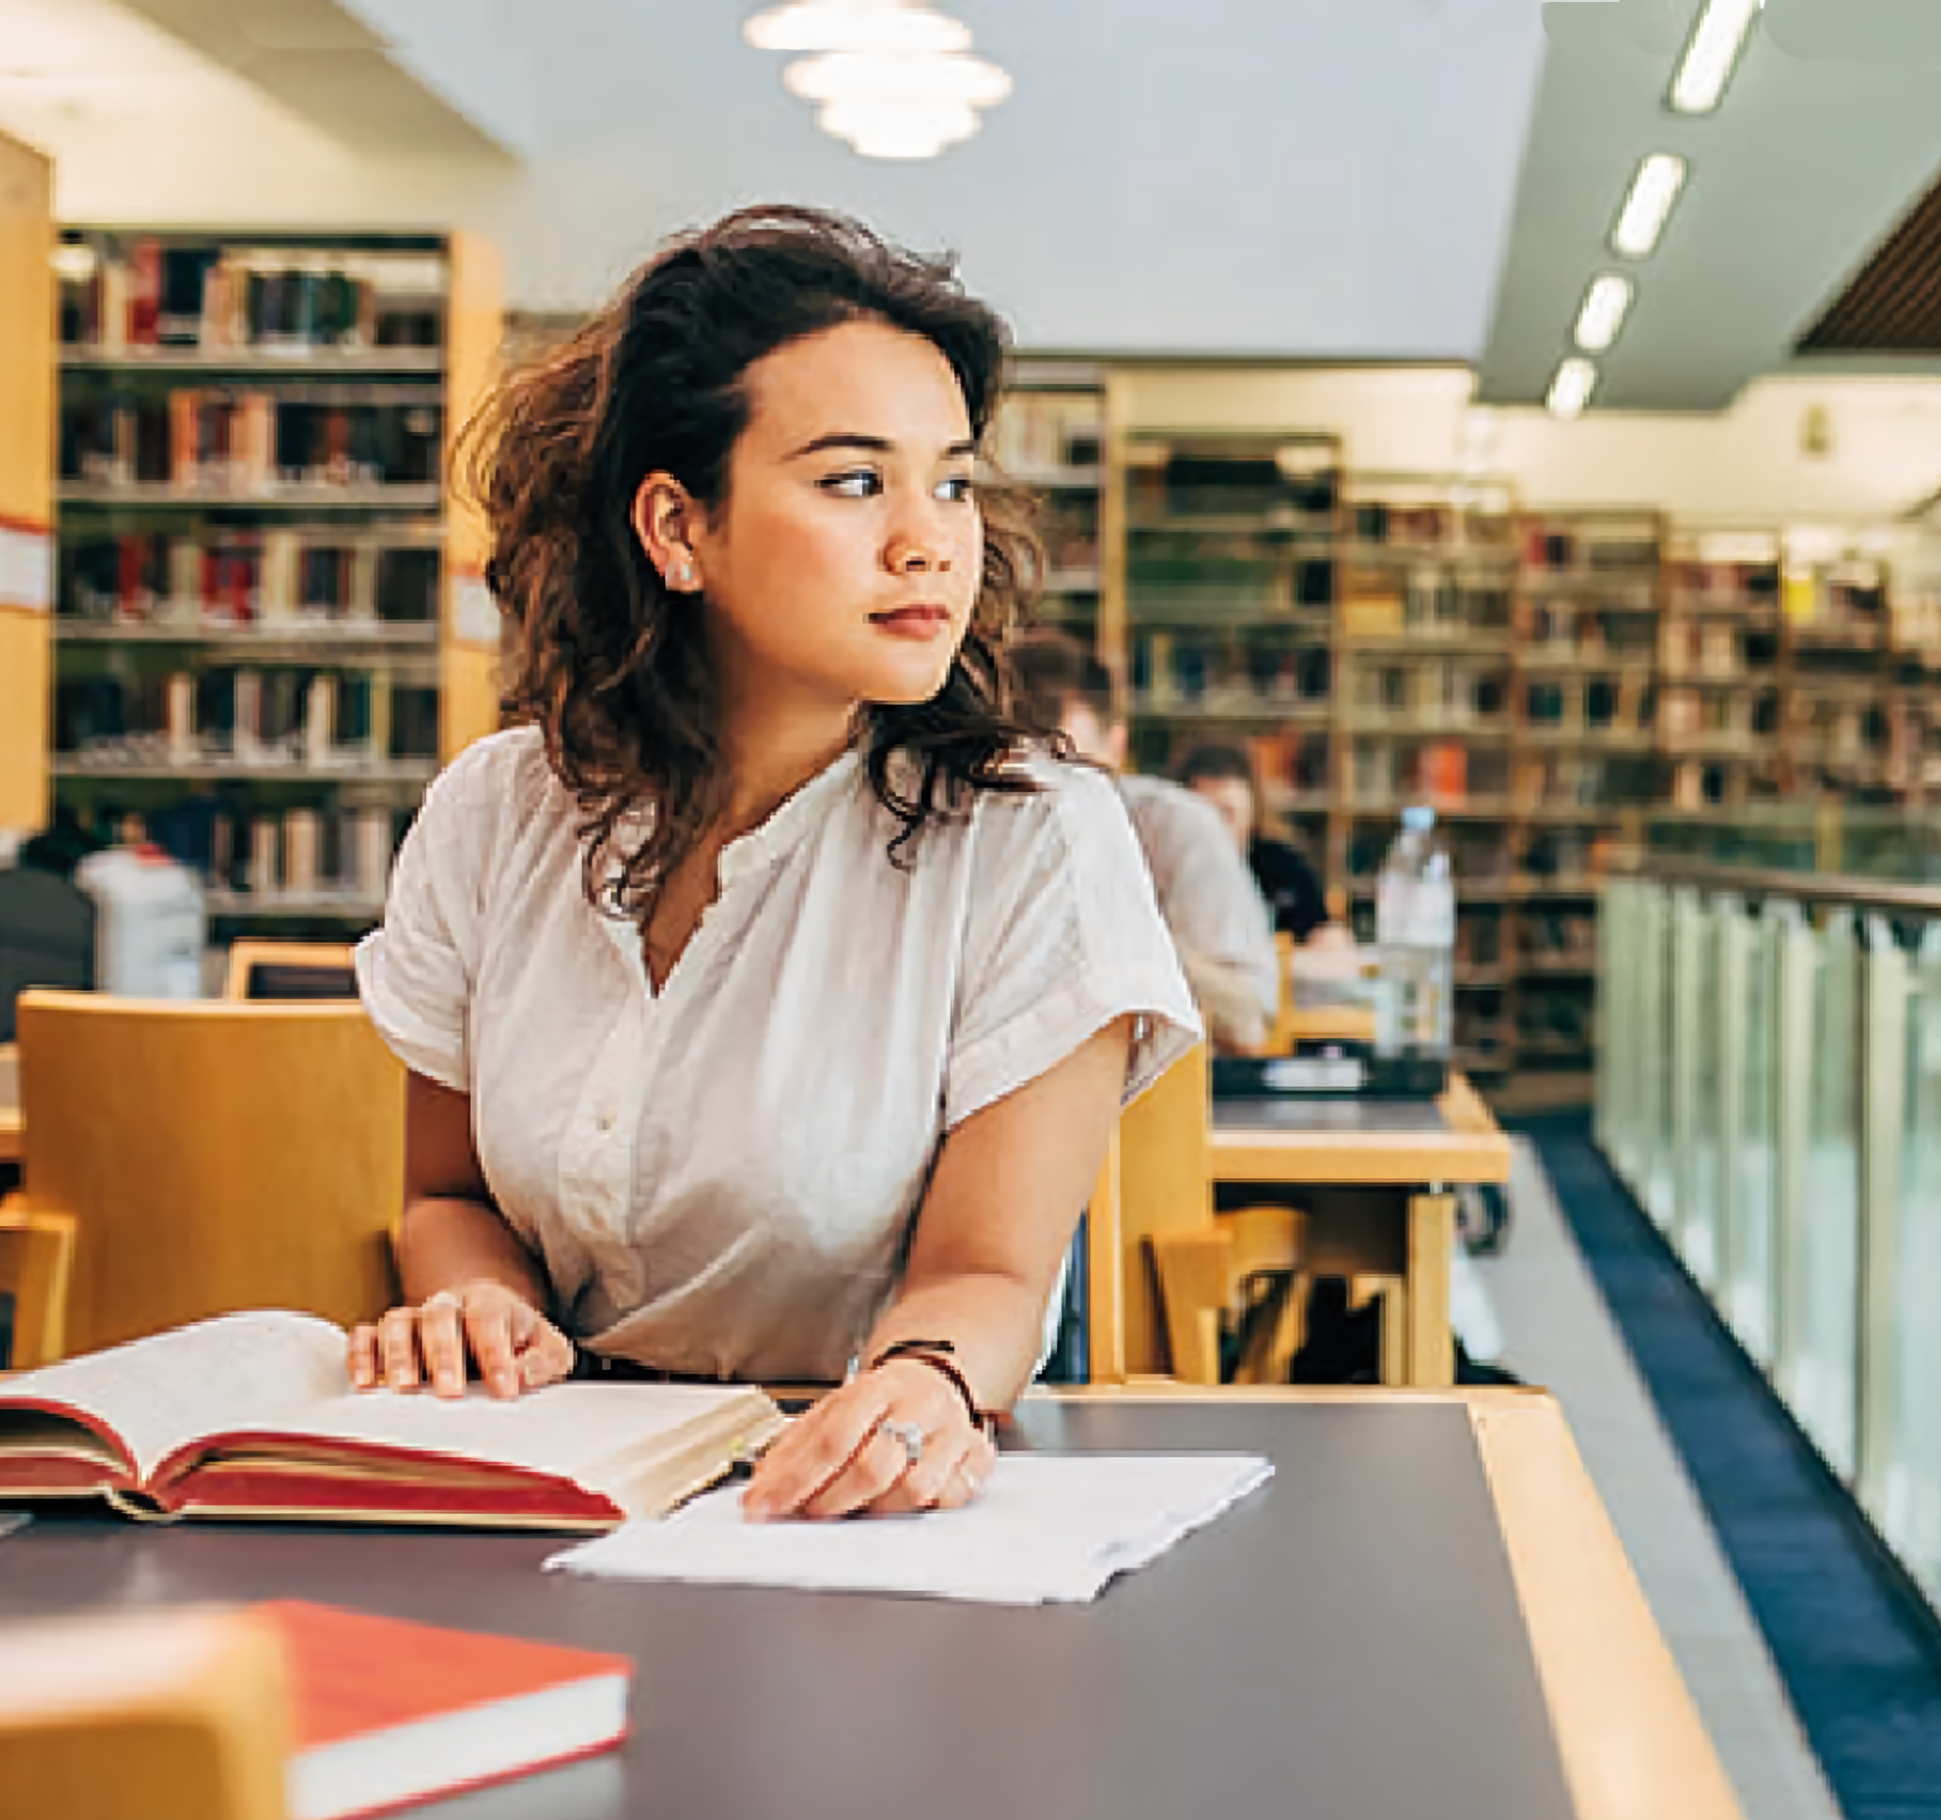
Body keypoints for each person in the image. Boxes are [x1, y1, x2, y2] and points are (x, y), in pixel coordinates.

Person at [345, 206, 1199, 1522]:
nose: (929, 540)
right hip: (538, 1480)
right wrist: (482, 1305)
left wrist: (925, 1383)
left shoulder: (1034, 837)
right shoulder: (493, 810)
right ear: (677, 528)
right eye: (855, 480)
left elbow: (986, 1277)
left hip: (859, 1501)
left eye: (953, 480)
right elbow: (449, 1194)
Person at [1004, 633, 1281, 1053]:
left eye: (1070, 770)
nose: (1042, 804)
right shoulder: (956, 833)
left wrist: (1108, 928)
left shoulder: (1175, 827)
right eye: (1013, 778)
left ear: (1115, 747)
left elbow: (1248, 1020)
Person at [1174, 738, 1353, 954]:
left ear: (1251, 814)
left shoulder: (1281, 865)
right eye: (1204, 816)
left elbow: (1332, 943)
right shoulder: (1162, 874)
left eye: (1227, 814)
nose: (1216, 829)